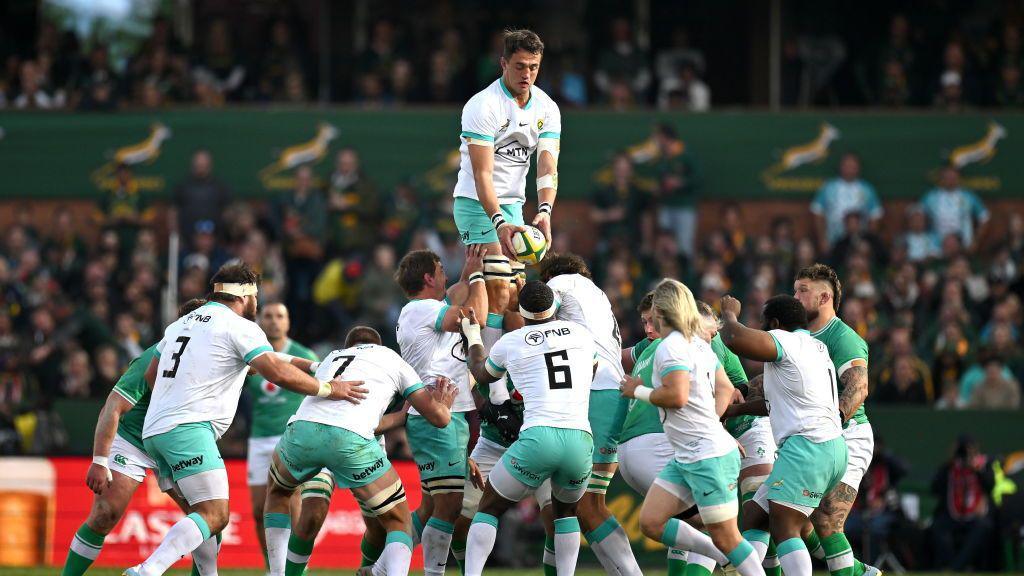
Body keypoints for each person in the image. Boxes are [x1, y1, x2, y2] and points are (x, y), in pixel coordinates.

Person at [123, 263, 367, 576]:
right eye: (256, 296)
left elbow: (152, 375)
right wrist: (329, 388)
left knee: (203, 516)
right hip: (189, 429)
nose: (257, 303)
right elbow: (275, 371)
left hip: (156, 431)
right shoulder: (239, 326)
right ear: (244, 295)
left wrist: (311, 366)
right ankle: (147, 570)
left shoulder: (181, 324)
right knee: (215, 514)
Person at [263, 326, 456, 576]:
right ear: (379, 345)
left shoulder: (332, 358)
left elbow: (291, 360)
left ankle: (282, 573)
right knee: (398, 521)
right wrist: (444, 406)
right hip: (354, 440)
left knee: (279, 491)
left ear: (349, 347)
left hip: (304, 433)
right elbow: (439, 419)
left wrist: (255, 360)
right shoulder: (393, 360)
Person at [62, 299, 219, 576]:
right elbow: (113, 405)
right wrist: (99, 460)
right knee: (105, 514)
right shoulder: (154, 356)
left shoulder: (216, 358)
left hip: (177, 442)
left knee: (209, 516)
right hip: (134, 440)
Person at [619, 280, 763, 576]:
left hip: (707, 456)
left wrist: (638, 391)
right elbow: (725, 387)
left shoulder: (670, 346)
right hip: (688, 455)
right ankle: (721, 559)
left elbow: (677, 395)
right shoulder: (697, 344)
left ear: (661, 310)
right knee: (651, 522)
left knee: (727, 538)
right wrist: (712, 423)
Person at [461, 281, 596, 576]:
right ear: (554, 306)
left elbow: (482, 372)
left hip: (539, 436)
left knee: (489, 507)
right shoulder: (582, 334)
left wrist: (473, 337)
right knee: (566, 514)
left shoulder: (512, 341)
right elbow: (593, 370)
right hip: (581, 438)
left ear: (521, 311)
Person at [718, 294, 848, 576]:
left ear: (775, 324)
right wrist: (736, 410)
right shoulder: (816, 347)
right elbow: (778, 402)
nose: (762, 330)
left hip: (808, 446)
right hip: (829, 446)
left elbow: (733, 337)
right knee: (755, 516)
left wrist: (729, 313)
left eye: (764, 324)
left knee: (785, 525)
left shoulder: (787, 342)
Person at [538, 253, 643, 576]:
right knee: (579, 504)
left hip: (595, 392)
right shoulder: (597, 294)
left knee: (585, 504)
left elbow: (537, 312)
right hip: (611, 393)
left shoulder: (560, 283)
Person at [394, 246, 487, 575]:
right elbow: (477, 319)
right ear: (428, 278)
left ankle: (381, 564)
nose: (446, 276)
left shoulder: (425, 310)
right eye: (441, 271)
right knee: (449, 505)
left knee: (432, 507)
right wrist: (478, 275)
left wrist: (469, 269)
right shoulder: (422, 309)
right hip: (436, 417)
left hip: (446, 415)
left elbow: (456, 293)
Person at [793, 264, 880, 576]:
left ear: (824, 298)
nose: (795, 297)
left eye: (803, 291)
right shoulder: (797, 338)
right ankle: (856, 571)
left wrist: (831, 422)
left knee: (828, 518)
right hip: (811, 438)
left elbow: (858, 388)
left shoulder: (843, 338)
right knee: (790, 517)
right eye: (794, 290)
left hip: (848, 435)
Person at [453, 29, 559, 264]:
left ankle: (455, 291)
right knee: (499, 276)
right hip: (476, 203)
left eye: (533, 67)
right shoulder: (483, 106)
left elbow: (547, 165)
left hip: (513, 206)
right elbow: (482, 174)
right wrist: (499, 223)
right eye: (520, 66)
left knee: (510, 282)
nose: (527, 74)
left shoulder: (548, 108)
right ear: (504, 63)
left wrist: (545, 211)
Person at [244, 303, 319, 569]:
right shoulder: (251, 355)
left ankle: (296, 568)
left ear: (288, 322)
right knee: (257, 511)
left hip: (291, 437)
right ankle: (272, 567)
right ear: (260, 322)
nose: (274, 321)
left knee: (293, 499)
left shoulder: (303, 355)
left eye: (280, 316)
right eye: (268, 316)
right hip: (258, 438)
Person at [930, 435, 995, 571]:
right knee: (938, 528)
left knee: (984, 527)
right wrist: (951, 461)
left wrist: (977, 468)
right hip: (952, 515)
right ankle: (954, 566)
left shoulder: (984, 465)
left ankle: (955, 568)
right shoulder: (948, 468)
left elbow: (990, 486)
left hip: (975, 516)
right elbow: (934, 488)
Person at [810, 153, 883, 253]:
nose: (849, 169)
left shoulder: (867, 189)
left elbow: (876, 215)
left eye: (853, 166)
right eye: (847, 166)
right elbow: (817, 211)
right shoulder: (828, 188)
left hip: (859, 243)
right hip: (833, 240)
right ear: (841, 167)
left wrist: (869, 241)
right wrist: (822, 239)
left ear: (858, 168)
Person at [919, 166, 990, 253]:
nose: (950, 181)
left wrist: (976, 241)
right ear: (941, 179)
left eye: (953, 177)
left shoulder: (968, 197)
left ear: (958, 179)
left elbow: (984, 217)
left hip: (964, 245)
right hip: (935, 246)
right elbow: (917, 216)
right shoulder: (930, 197)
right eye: (947, 178)